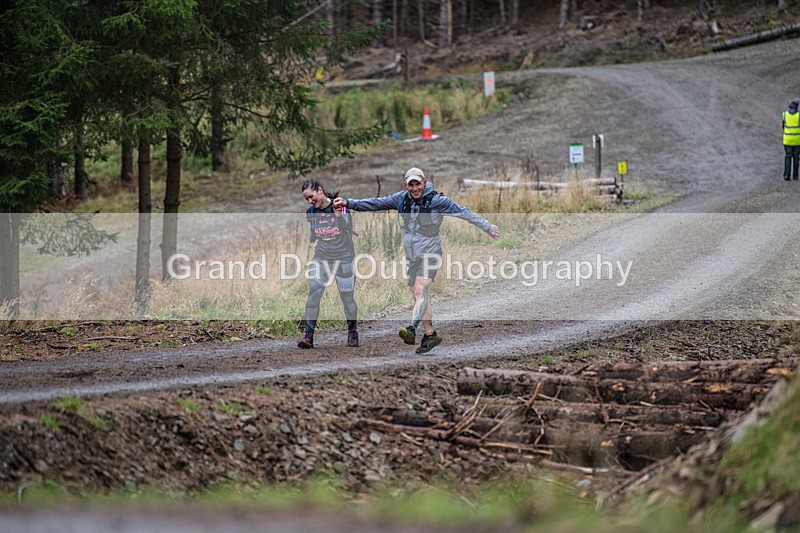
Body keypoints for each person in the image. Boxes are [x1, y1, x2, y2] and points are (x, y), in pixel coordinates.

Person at [333, 167, 500, 354]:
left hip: (431, 251)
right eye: (411, 184)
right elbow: (376, 203)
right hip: (411, 253)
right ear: (406, 185)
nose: (414, 188)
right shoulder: (401, 199)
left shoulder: (437, 201)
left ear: (425, 182)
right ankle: (430, 334)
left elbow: (464, 212)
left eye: (417, 184)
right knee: (418, 295)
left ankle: (412, 328)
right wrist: (349, 203)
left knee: (421, 289)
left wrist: (487, 226)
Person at [298, 179, 359, 349]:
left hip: (344, 258)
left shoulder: (340, 205)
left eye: (311, 197)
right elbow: (314, 234)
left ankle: (352, 332)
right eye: (307, 199)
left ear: (320, 190)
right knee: (314, 291)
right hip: (322, 257)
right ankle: (308, 336)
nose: (310, 201)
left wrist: (338, 217)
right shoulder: (311, 212)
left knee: (347, 298)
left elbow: (346, 226)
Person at [783, 98, 800, 181]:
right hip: (797, 140)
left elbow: (783, 125)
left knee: (788, 157)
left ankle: (787, 175)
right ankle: (796, 175)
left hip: (787, 139)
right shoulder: (799, 115)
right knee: (796, 158)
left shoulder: (785, 114)